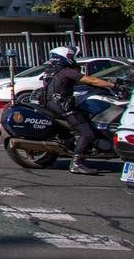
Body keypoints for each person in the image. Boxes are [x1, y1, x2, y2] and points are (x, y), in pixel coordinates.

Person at [42, 46, 115, 175]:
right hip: (61, 105)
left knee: (83, 117)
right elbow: (91, 80)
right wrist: (112, 84)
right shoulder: (66, 71)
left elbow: (67, 84)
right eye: (71, 57)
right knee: (87, 133)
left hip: (51, 104)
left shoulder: (50, 71)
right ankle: (77, 163)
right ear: (64, 57)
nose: (73, 59)